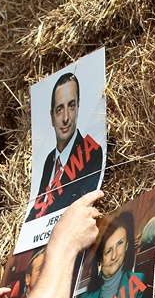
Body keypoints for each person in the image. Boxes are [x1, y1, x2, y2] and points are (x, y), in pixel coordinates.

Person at [27, 72, 104, 221]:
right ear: (51, 117)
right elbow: (39, 208)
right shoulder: (50, 161)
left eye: (71, 106)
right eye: (59, 109)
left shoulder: (92, 153)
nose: (66, 118)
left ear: (78, 107)